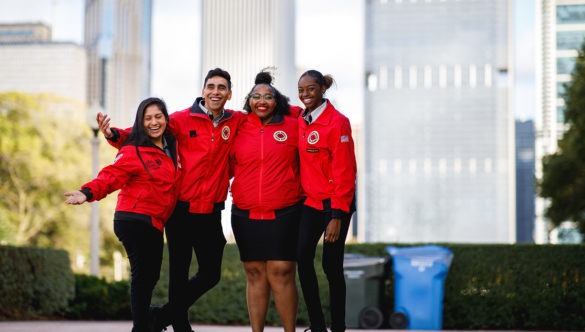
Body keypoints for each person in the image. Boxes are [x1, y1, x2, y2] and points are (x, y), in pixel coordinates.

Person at [97, 68, 245, 332]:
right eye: (210, 86)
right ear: (203, 91)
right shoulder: (179, 120)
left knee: (210, 274)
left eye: (221, 88)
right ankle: (179, 323)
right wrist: (113, 135)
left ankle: (161, 317)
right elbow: (143, 132)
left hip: (212, 209)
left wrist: (302, 110)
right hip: (180, 209)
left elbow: (263, 116)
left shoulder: (235, 122)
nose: (215, 92)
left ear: (229, 94)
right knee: (179, 271)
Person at [64, 97, 180, 332]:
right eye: (147, 118)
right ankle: (141, 327)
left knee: (150, 276)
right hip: (134, 218)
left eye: (158, 117)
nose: (153, 122)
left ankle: (147, 321)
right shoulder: (134, 150)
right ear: (141, 122)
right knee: (142, 275)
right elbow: (111, 175)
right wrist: (87, 192)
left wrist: (113, 133)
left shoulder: (170, 145)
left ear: (166, 119)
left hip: (155, 220)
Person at [229, 71, 302, 332]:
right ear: (248, 100)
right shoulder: (237, 125)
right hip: (245, 213)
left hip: (285, 211)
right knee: (254, 272)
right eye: (256, 97)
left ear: (277, 101)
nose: (262, 101)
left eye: (268, 97)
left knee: (282, 271)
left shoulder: (294, 124)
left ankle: (289, 331)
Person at [295, 70, 357, 332]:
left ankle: (339, 327)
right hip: (311, 202)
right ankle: (318, 326)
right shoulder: (300, 118)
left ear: (322, 89)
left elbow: (345, 171)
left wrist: (336, 216)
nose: (305, 94)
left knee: (331, 266)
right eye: (301, 90)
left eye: (310, 89)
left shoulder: (338, 122)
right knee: (302, 256)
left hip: (335, 204)